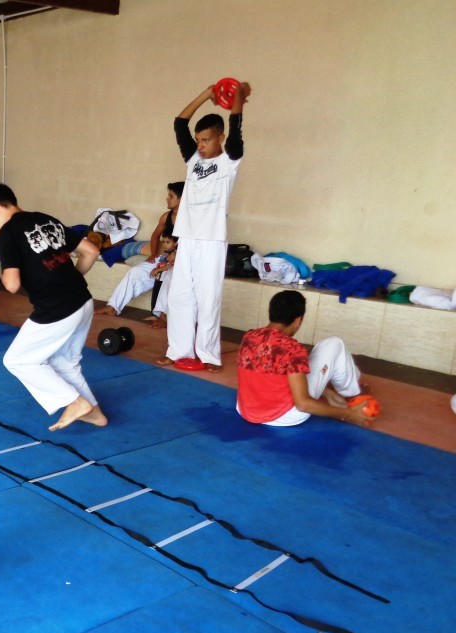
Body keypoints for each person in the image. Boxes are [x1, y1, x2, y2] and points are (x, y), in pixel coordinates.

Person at [0, 183, 106, 431]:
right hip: (83, 300)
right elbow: (90, 251)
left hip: (57, 308)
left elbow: (12, 285)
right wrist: (69, 281)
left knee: (17, 361)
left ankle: (74, 402)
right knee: (65, 362)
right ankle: (94, 413)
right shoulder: (45, 219)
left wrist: (3, 271)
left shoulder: (7, 233)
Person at [159, 82, 251, 372]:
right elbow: (179, 122)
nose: (200, 145)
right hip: (187, 238)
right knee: (179, 296)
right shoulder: (192, 160)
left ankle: (209, 355)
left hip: (212, 240)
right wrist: (207, 94)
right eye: (198, 140)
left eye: (206, 140)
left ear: (219, 138)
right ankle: (178, 351)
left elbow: (236, 124)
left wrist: (237, 96)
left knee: (208, 299)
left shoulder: (229, 161)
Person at [236, 290, 375, 428]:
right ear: (298, 320)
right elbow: (303, 405)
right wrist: (347, 414)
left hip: (246, 410)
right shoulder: (291, 349)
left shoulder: (249, 337)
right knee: (335, 343)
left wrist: (326, 392)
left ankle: (348, 390)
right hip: (284, 417)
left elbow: (267, 375)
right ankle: (352, 393)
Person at [97, 232, 177, 323]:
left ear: (176, 243)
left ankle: (162, 316)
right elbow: (156, 235)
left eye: (167, 242)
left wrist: (159, 269)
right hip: (161, 261)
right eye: (164, 242)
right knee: (135, 271)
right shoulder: (167, 249)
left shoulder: (176, 253)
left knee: (166, 276)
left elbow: (172, 264)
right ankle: (113, 307)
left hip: (174, 266)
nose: (164, 244)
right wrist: (153, 254)